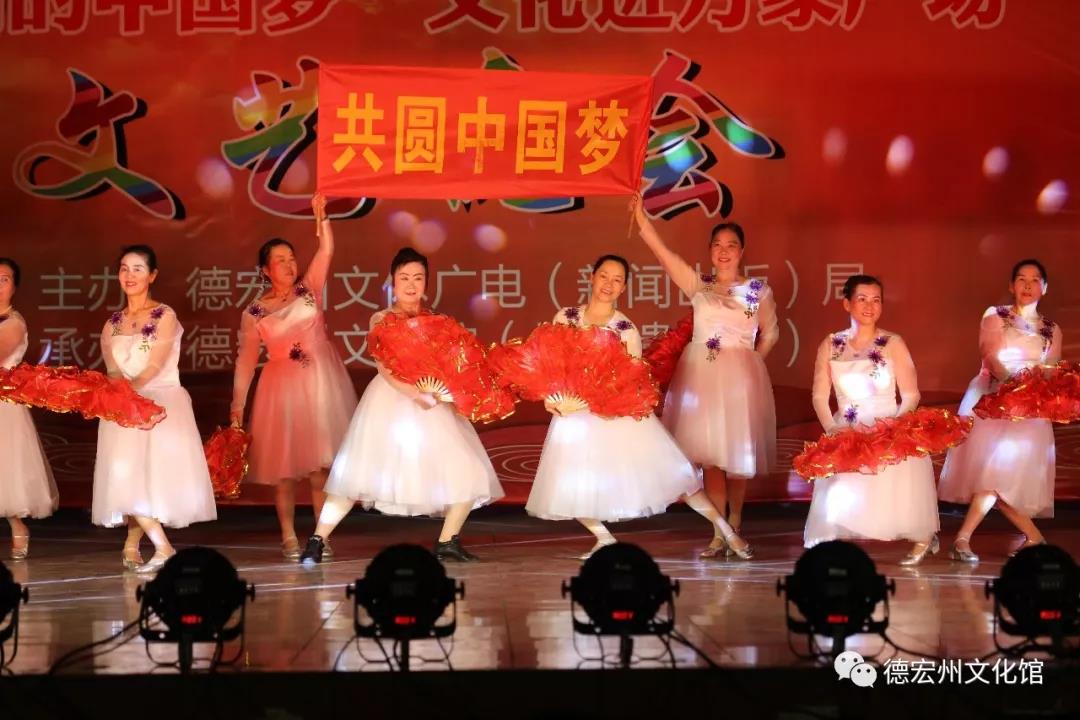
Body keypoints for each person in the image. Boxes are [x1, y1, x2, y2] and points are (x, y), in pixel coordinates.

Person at [526, 254, 753, 560]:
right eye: (604, 276)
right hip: (573, 414)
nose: (608, 284)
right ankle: (604, 538)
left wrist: (601, 398)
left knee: (674, 475)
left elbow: (630, 378)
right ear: (591, 278)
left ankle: (726, 530)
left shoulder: (625, 329)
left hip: (614, 415)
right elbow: (551, 365)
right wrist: (550, 397)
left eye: (617, 280)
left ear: (623, 288)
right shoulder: (565, 317)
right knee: (569, 482)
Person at [299, 248, 503, 564]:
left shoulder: (438, 321)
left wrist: (450, 393)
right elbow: (384, 366)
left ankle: (447, 540)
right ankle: (318, 539)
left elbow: (454, 364)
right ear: (392, 282)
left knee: (468, 469)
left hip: (433, 403)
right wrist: (414, 394)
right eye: (404, 277)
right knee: (357, 473)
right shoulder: (382, 319)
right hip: (391, 400)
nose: (411, 284)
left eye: (417, 278)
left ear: (426, 284)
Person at [633, 197, 777, 557]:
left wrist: (752, 365)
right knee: (711, 456)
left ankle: (736, 521)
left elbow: (771, 333)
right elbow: (665, 255)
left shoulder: (758, 292)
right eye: (717, 245)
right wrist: (641, 219)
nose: (723, 251)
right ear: (710, 251)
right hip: (702, 379)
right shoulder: (699, 285)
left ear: (742, 251)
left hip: (741, 382)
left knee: (738, 455)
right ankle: (719, 531)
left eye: (731, 245)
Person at [231, 194, 358, 559]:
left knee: (320, 469)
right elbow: (245, 362)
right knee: (284, 471)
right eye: (280, 260)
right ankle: (288, 535)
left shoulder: (309, 288)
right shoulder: (255, 312)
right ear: (265, 270)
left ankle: (320, 535)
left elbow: (327, 249)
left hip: (319, 383)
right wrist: (237, 406)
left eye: (291, 258)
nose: (289, 265)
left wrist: (322, 217)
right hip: (280, 388)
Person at [92, 245, 217, 574]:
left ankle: (160, 547)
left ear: (152, 275)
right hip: (124, 410)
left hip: (158, 405)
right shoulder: (112, 324)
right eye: (124, 268)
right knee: (127, 477)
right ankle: (141, 545)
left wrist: (130, 394)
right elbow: (113, 370)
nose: (129, 275)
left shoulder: (164, 315)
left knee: (146, 480)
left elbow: (155, 365)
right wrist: (117, 396)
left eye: (137, 269)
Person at [802, 275, 940, 564]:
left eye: (876, 300)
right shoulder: (832, 344)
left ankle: (923, 537)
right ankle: (839, 546)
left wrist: (893, 429)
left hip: (887, 424)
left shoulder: (893, 343)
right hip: (847, 426)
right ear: (847, 304)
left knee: (895, 487)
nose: (869, 306)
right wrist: (833, 429)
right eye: (862, 299)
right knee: (842, 490)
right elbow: (819, 395)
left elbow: (911, 394)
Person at [938, 259, 1061, 563]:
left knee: (1006, 477)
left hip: (1030, 410)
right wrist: (1011, 386)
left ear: (1045, 287)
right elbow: (990, 356)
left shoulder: (1051, 329)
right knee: (993, 474)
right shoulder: (996, 315)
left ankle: (1028, 537)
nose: (1028, 286)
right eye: (1021, 279)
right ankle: (970, 539)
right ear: (1011, 285)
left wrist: (1033, 392)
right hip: (993, 402)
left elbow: (1050, 370)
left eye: (1035, 280)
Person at [0, 257, 58, 559]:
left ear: (14, 287)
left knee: (6, 473)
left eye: (4, 279)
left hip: (4, 406)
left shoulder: (14, 323)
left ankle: (18, 526)